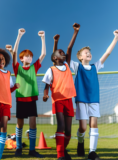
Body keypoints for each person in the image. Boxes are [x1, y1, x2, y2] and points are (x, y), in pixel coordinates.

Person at [71, 30, 118, 160]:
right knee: (82, 127)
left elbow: (107, 53)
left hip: (94, 100)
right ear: (80, 57)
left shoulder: (96, 66)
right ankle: (80, 142)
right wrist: (75, 33)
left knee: (94, 124)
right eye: (85, 53)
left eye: (89, 52)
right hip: (81, 99)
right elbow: (68, 55)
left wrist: (116, 38)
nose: (88, 54)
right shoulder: (77, 67)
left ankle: (92, 152)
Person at [42, 23, 80, 160]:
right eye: (60, 53)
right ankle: (60, 155)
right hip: (57, 99)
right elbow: (46, 84)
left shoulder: (67, 66)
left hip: (69, 99)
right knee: (61, 125)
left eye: (64, 54)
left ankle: (63, 150)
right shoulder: (51, 70)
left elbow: (69, 48)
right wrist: (46, 94)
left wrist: (75, 32)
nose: (63, 54)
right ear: (54, 58)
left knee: (69, 130)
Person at [6, 28, 46, 157]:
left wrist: (43, 38)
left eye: (31, 56)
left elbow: (44, 54)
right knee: (20, 123)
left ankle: (32, 150)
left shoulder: (34, 67)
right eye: (27, 56)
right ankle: (18, 148)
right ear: (22, 58)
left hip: (32, 99)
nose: (30, 58)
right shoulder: (17, 67)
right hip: (21, 99)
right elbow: (15, 52)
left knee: (33, 123)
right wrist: (19, 35)